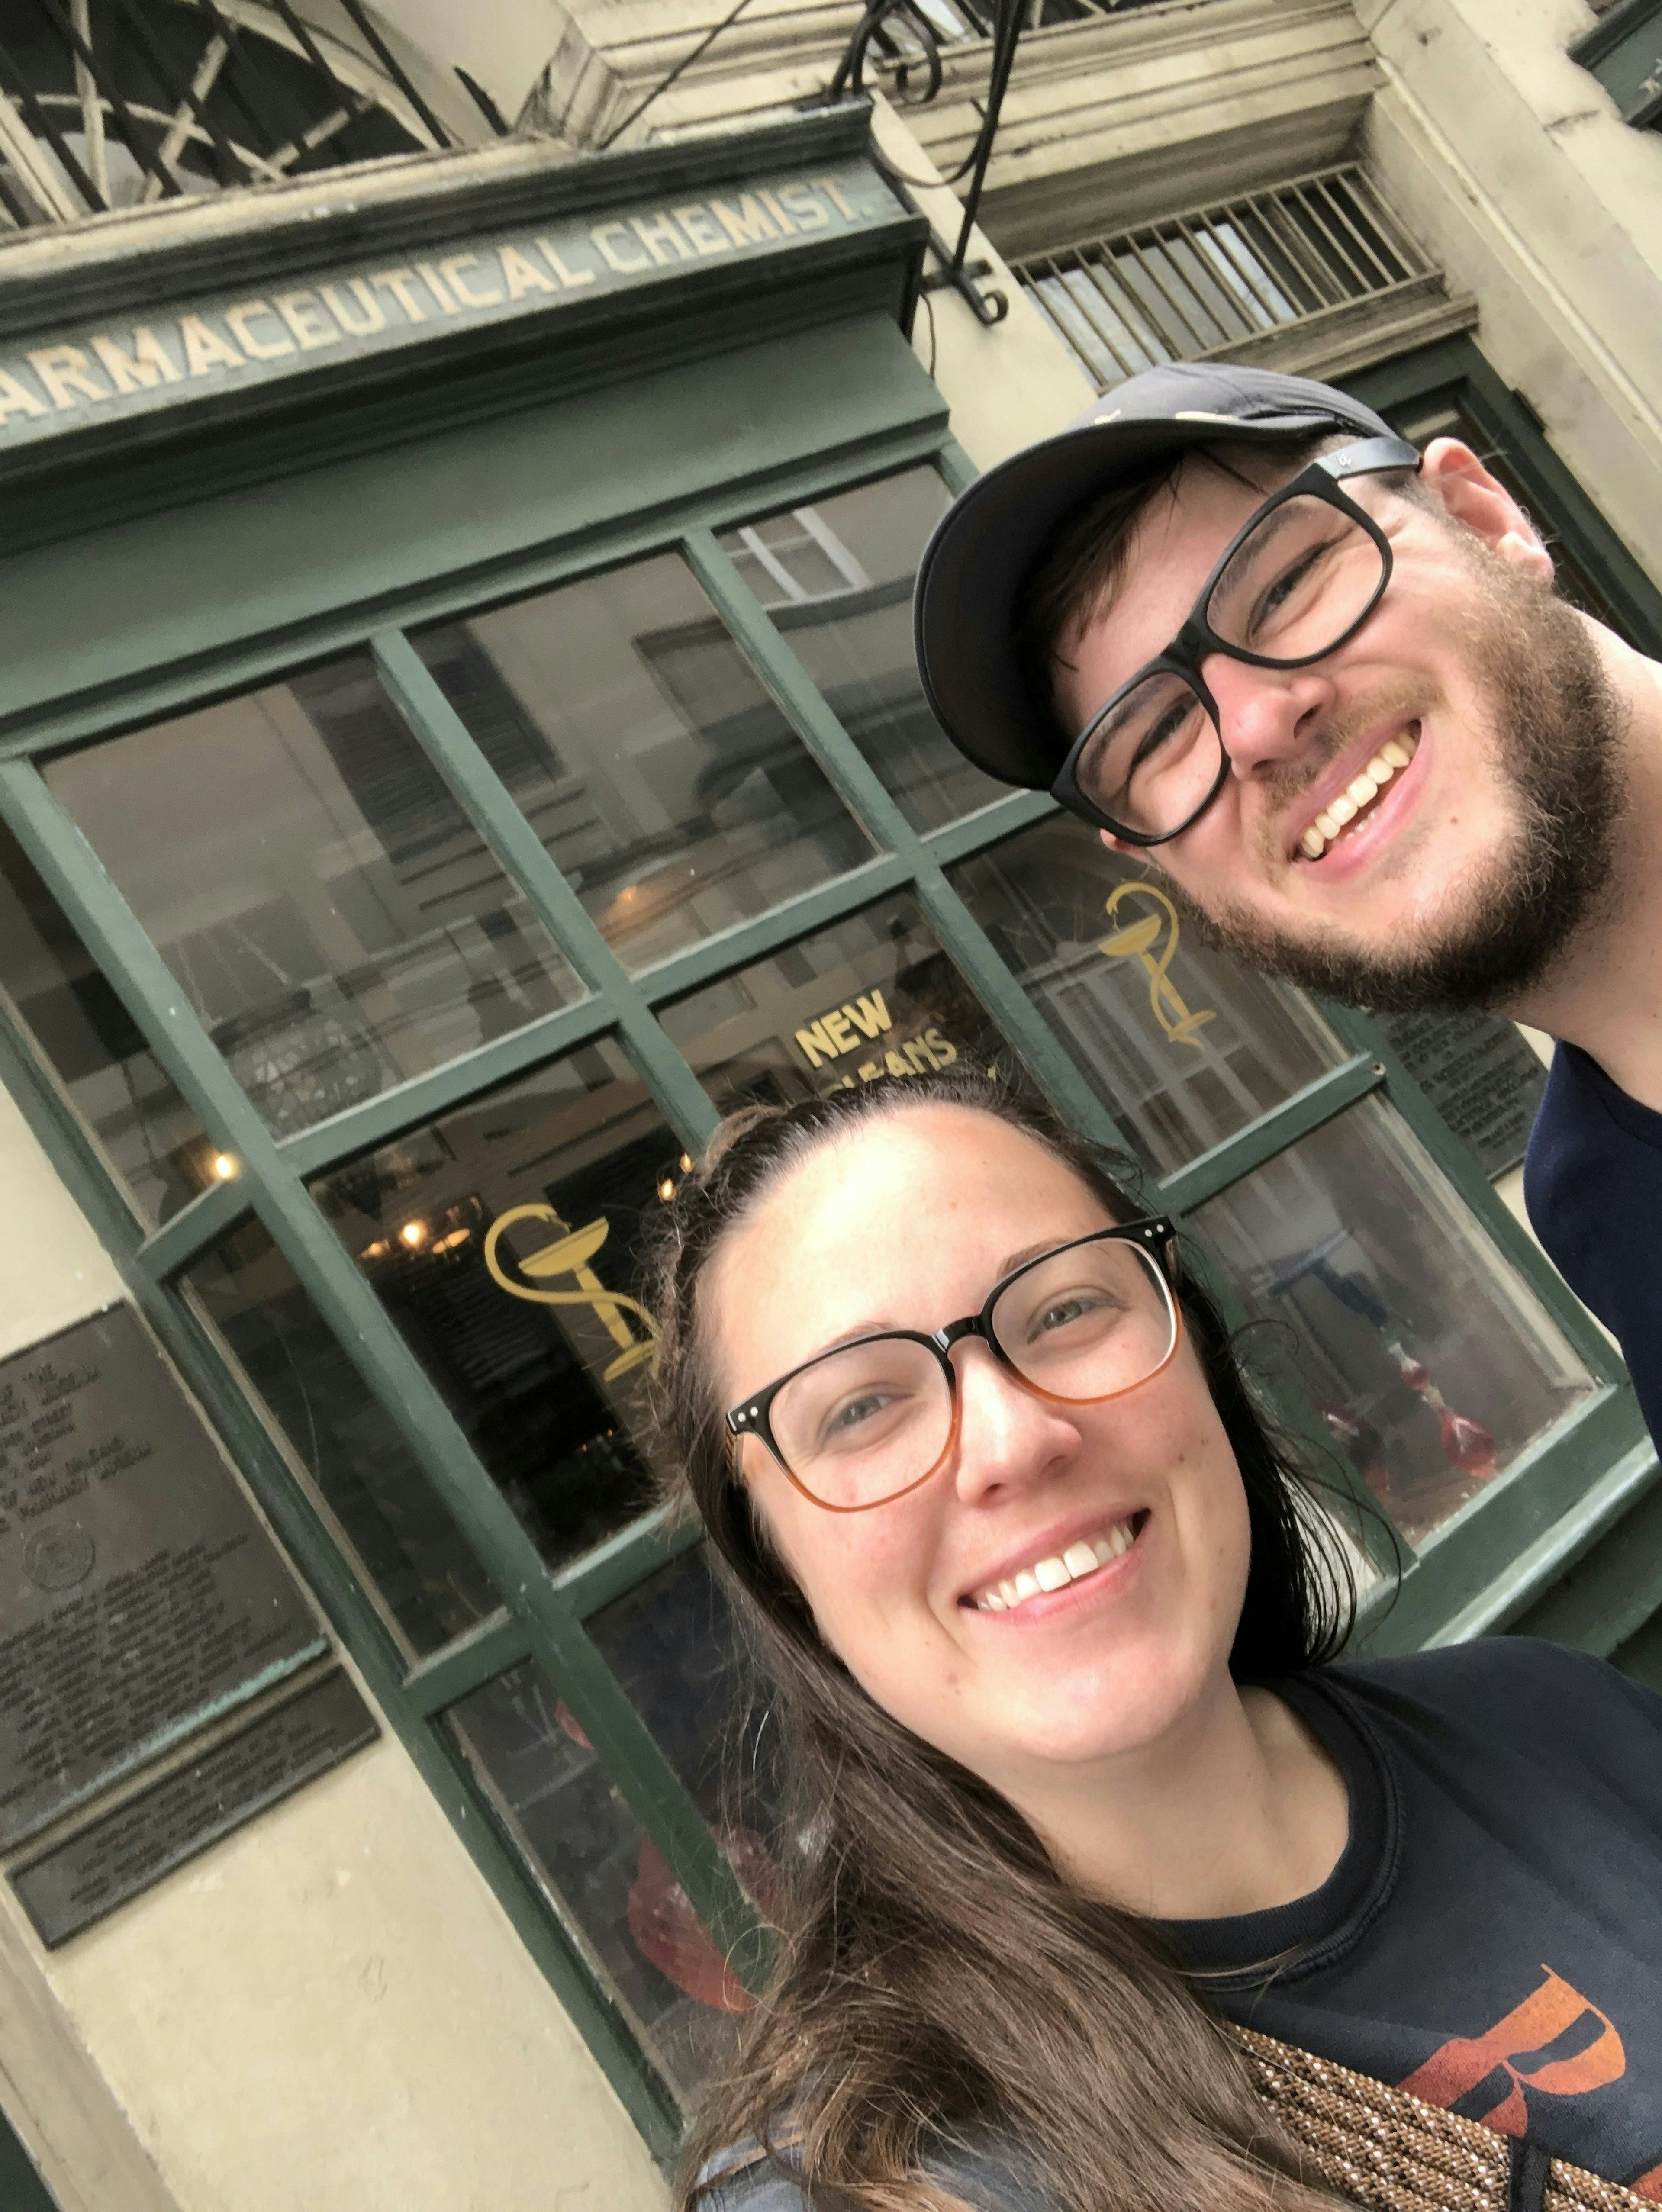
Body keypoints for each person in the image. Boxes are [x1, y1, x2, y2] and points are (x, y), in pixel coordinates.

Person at [646, 1069, 1662, 2212]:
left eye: (1064, 1311)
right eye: (860, 1408)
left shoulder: (1555, 1720)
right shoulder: (863, 2186)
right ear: (780, 1569)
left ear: (1193, 1346)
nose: (1013, 1440)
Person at [912, 361, 1662, 1445]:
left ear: (1482, 518)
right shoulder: (1602, 1210)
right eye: (1155, 737)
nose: (1256, 729)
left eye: (1284, 585)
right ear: (1152, 861)